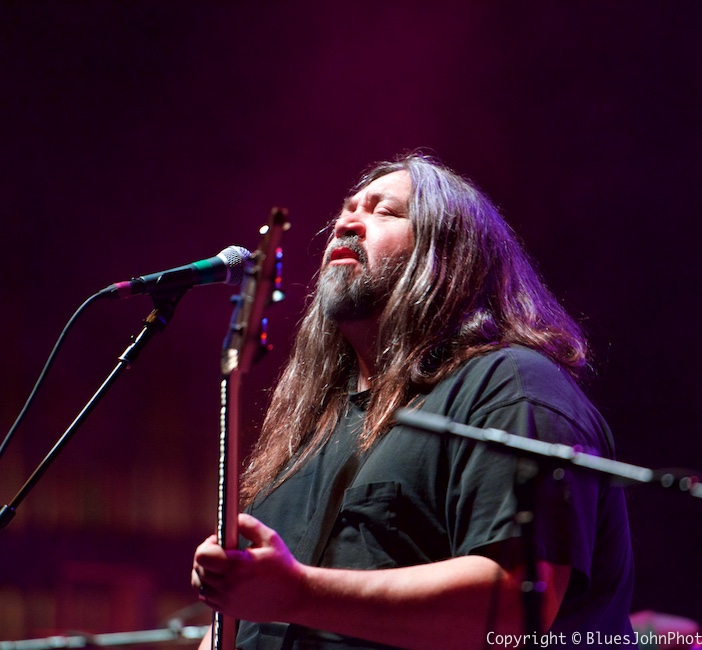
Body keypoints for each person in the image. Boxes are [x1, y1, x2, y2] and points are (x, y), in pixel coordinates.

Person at [191, 153, 635, 649]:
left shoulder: (512, 386)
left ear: (449, 254)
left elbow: (513, 610)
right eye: (346, 209)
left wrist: (296, 592)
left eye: (385, 211)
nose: (347, 222)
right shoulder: (308, 434)